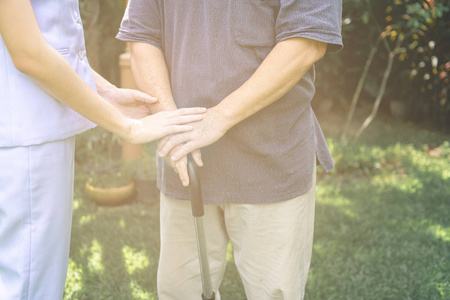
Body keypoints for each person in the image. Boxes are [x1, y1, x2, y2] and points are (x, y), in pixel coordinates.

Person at [117, 1, 343, 299]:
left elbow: (306, 42)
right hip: (187, 165)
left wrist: (218, 117)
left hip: (271, 162)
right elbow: (142, 36)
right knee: (180, 292)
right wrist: (171, 124)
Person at [0, 0, 206, 299]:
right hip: (26, 135)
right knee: (30, 283)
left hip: (29, 128)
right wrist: (128, 128)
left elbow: (48, 42)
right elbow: (28, 52)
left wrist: (106, 93)